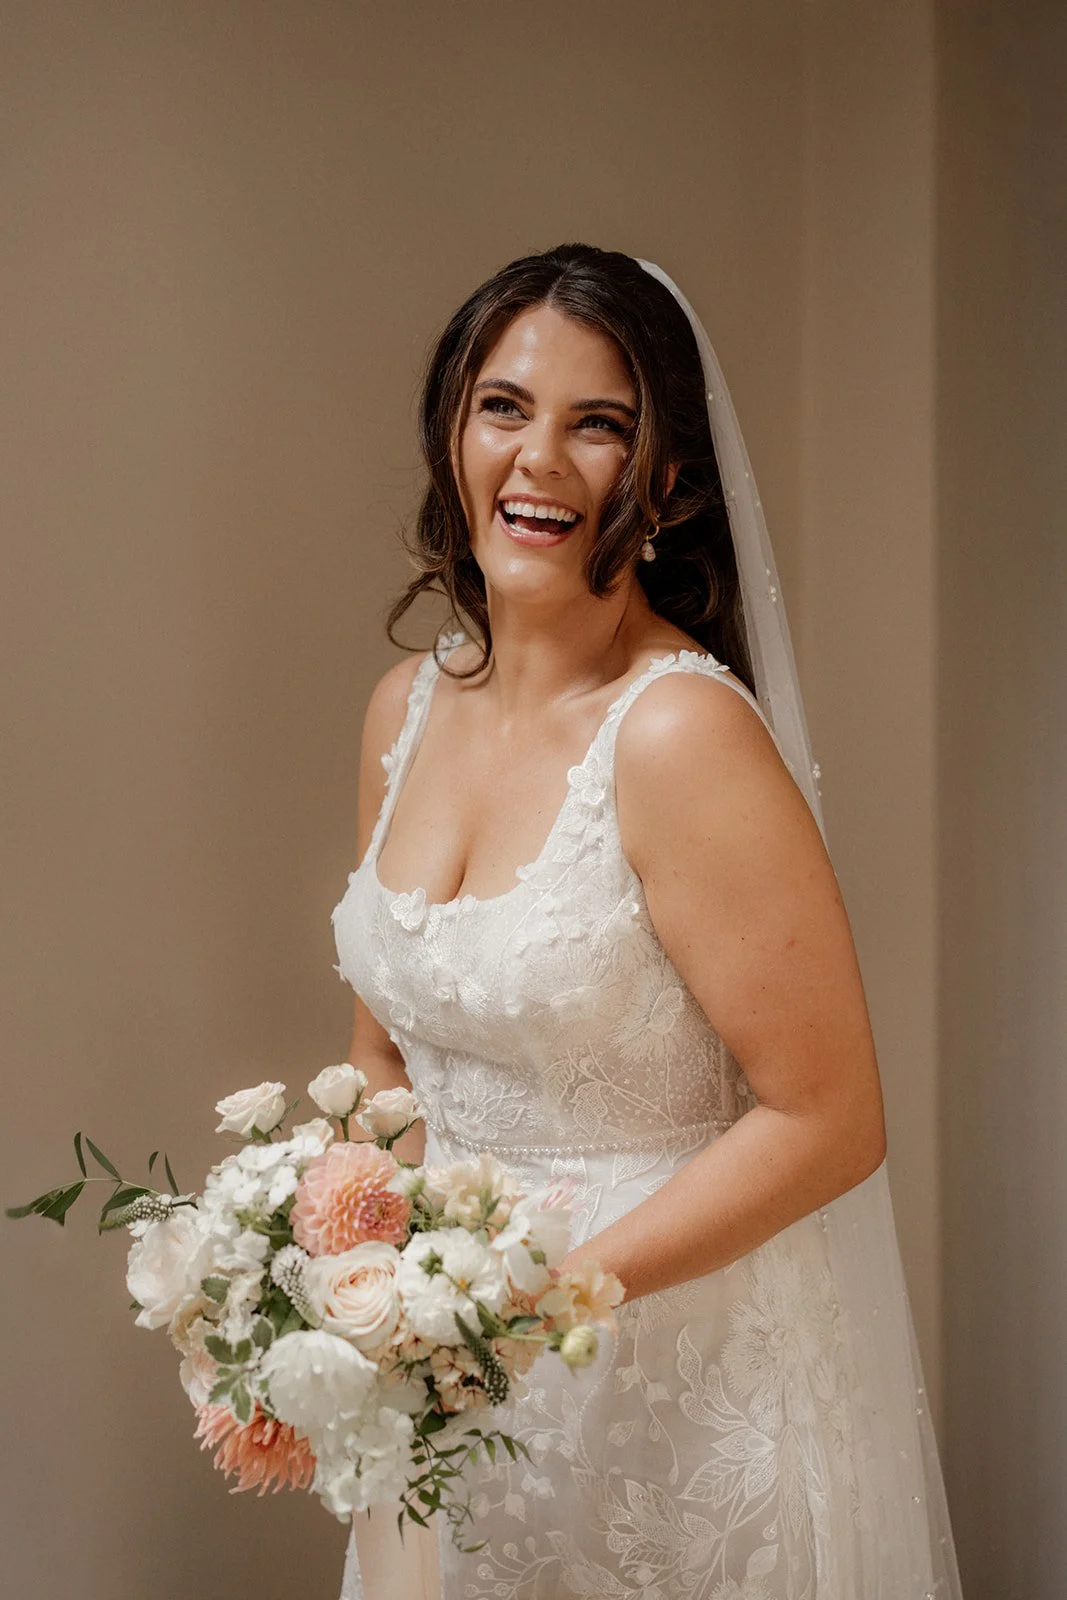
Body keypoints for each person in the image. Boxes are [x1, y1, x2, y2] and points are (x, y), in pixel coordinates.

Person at [330, 244, 963, 1599]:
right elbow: (386, 1055)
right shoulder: (403, 710)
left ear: (666, 480)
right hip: (444, 1390)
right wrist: (330, 1263)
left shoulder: (677, 735)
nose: (538, 459)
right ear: (451, 432)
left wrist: (538, 1307)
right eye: (504, 406)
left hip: (671, 1399)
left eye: (598, 424)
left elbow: (829, 1118)